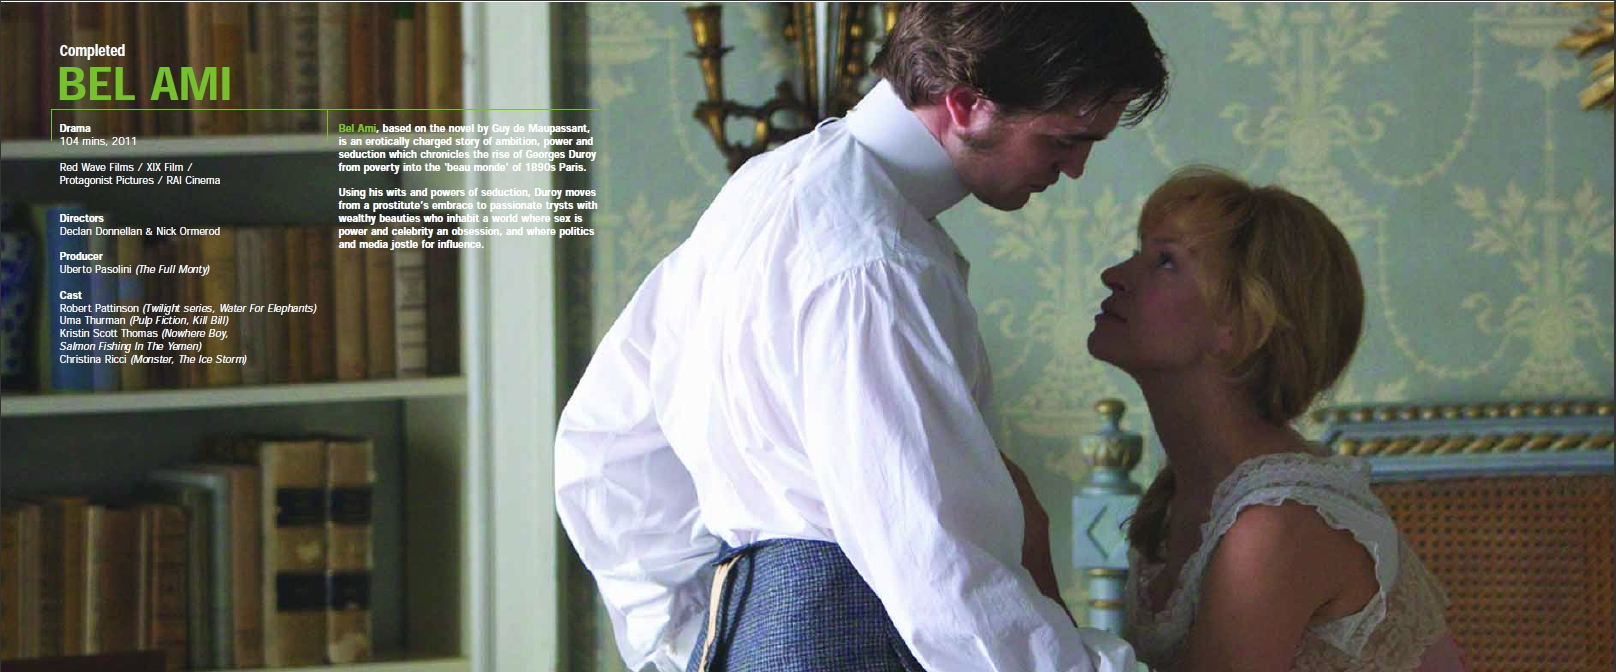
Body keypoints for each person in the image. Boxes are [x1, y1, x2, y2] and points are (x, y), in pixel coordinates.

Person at [554, 4, 1168, 672]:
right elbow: (940, 567)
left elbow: (606, 451)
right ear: (966, 104)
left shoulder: (766, 188)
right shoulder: (877, 264)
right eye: (1063, 140)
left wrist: (699, 641)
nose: (1074, 168)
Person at [1087, 166, 1469, 672]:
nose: (1115, 274)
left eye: (1164, 261)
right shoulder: (1184, 496)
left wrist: (1034, 565)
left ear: (1242, 322)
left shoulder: (1273, 522)